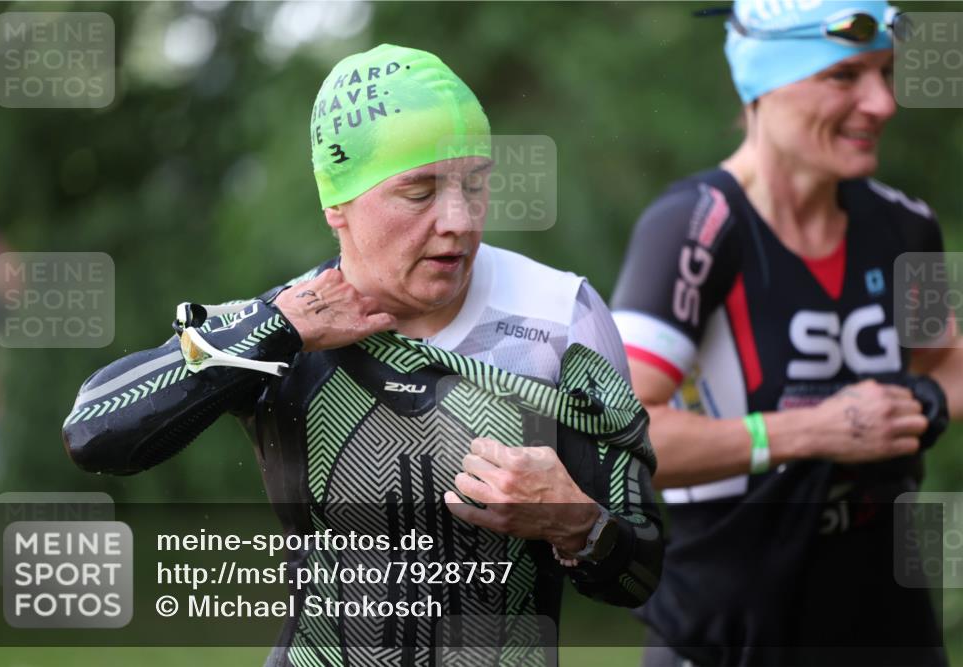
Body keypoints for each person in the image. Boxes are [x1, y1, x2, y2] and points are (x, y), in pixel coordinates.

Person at [63, 44, 663, 666]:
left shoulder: (561, 316)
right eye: (419, 191)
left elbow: (641, 573)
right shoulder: (281, 327)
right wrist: (272, 330)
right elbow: (94, 433)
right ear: (337, 204)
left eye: (475, 184)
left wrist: (575, 524)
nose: (458, 219)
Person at [610, 2, 960, 666]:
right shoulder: (695, 226)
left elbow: (948, 366)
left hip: (887, 623)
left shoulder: (905, 226)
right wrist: (813, 431)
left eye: (885, 73)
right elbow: (619, 436)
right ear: (765, 81)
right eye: (846, 75)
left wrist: (918, 399)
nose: (882, 102)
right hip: (730, 632)